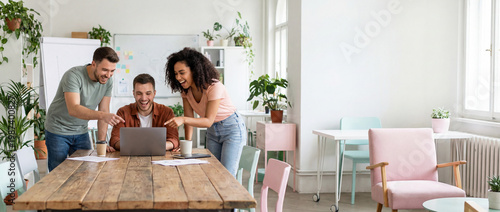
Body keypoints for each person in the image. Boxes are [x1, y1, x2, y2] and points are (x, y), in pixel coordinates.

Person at [164, 47, 246, 177]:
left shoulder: (214, 86)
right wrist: (187, 144)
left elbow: (207, 121)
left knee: (227, 175)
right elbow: (189, 117)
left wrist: (183, 119)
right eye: (175, 74)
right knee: (212, 172)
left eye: (182, 72)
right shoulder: (186, 91)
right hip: (213, 132)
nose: (178, 77)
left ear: (194, 70)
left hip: (232, 129)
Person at [45, 47, 125, 171]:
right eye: (105, 70)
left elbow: (104, 109)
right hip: (58, 130)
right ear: (94, 64)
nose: (108, 75)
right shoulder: (73, 76)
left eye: (112, 71)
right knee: (58, 173)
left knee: (84, 172)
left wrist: (102, 142)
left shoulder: (108, 81)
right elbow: (74, 109)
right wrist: (102, 115)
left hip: (81, 131)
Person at [109, 73, 179, 150]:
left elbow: (174, 139)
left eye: (148, 93)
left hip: (159, 157)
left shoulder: (166, 112)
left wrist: (155, 147)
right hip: (130, 158)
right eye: (139, 93)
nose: (144, 98)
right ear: (134, 94)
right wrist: (137, 147)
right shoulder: (123, 112)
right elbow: (114, 140)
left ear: (154, 94)